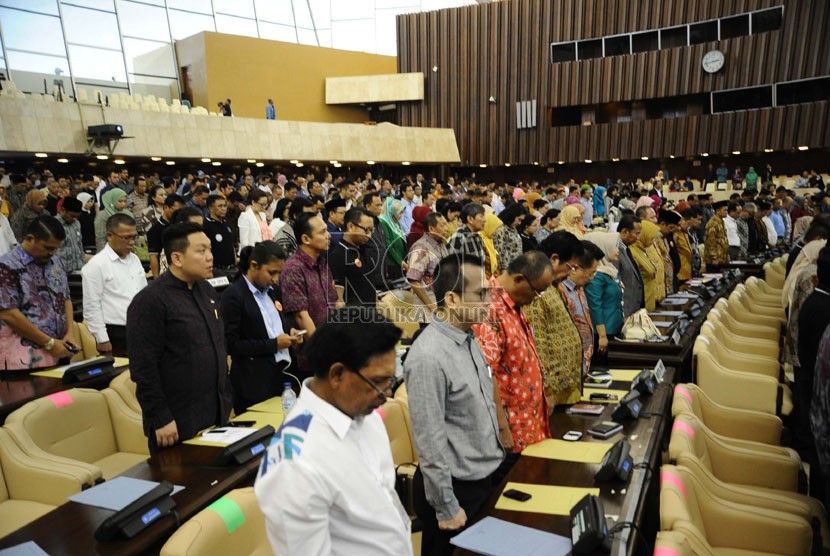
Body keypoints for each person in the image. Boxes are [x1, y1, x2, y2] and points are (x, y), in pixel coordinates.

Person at [255, 311, 411, 555]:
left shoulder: (364, 413)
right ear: (337, 375)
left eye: (390, 381)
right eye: (378, 382)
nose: (387, 394)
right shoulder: (294, 463)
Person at [405, 254, 505, 556]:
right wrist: (446, 505)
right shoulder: (428, 356)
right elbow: (430, 439)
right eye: (480, 293)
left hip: (483, 478)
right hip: (455, 492)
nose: (489, 300)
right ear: (452, 298)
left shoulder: (467, 335)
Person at [127, 223, 231, 452]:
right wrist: (160, 417)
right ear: (177, 257)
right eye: (201, 251)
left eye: (210, 250)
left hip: (215, 412)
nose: (210, 257)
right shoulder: (150, 301)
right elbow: (143, 368)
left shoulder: (207, 291)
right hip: (177, 420)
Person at [473, 251, 554, 468]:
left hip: (528, 425)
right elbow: (485, 375)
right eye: (537, 292)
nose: (536, 299)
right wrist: (502, 429)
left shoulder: (513, 304)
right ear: (519, 279)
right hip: (509, 433)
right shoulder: (488, 308)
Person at [221, 241, 304, 414]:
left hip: (281, 376)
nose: (275, 278)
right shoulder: (234, 296)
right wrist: (274, 344)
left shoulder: (273, 290)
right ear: (254, 266)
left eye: (279, 273)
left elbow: (272, 326)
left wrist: (290, 334)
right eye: (272, 272)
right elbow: (231, 345)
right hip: (253, 383)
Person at [0, 215, 79, 371]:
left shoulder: (55, 262)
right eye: (48, 247)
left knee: (61, 395)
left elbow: (66, 298)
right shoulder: (7, 266)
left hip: (59, 349)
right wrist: (48, 342)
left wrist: (70, 332)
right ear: (30, 239)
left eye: (56, 248)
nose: (53, 252)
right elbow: (8, 314)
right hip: (23, 357)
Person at [525, 232, 585, 405]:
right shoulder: (537, 292)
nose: (570, 273)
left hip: (567, 387)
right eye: (571, 267)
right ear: (554, 259)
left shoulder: (551, 286)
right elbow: (539, 343)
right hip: (554, 392)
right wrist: (547, 388)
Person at [82, 213, 147, 357]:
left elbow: (144, 294)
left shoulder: (134, 259)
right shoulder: (96, 265)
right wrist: (102, 338)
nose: (131, 242)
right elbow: (92, 306)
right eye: (126, 237)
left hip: (140, 329)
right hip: (115, 333)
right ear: (110, 235)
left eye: (134, 237)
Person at [280, 214, 338, 337]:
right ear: (306, 239)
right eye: (322, 232)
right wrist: (319, 349)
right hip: (311, 349)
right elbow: (301, 316)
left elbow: (334, 302)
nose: (329, 236)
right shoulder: (293, 269)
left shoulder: (323, 263)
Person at [560, 241, 601, 376]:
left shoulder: (579, 288)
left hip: (584, 362)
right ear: (576, 268)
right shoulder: (560, 290)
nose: (592, 277)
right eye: (591, 272)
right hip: (568, 367)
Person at [329, 208, 378, 307]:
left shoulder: (365, 249)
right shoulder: (338, 255)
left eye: (372, 230)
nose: (369, 235)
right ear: (351, 226)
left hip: (371, 316)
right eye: (366, 230)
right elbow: (339, 299)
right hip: (354, 318)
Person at [584, 231, 624, 348]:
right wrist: (602, 335)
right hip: (604, 333)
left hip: (614, 328)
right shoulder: (596, 276)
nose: (617, 251)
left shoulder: (609, 270)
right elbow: (594, 306)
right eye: (614, 247)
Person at [406, 211, 449, 317]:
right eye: (442, 225)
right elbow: (414, 280)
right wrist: (432, 307)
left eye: (446, 224)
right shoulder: (421, 248)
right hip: (428, 310)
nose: (446, 229)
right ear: (431, 228)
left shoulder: (441, 244)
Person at [147, 194, 185, 278]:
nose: (178, 213)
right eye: (175, 210)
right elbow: (153, 256)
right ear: (165, 207)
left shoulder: (180, 226)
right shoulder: (155, 230)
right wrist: (157, 279)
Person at [630, 220, 665, 311]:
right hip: (642, 304)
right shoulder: (634, 252)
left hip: (650, 302)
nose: (653, 241)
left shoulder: (642, 250)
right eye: (651, 237)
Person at [615, 214, 645, 317]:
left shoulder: (626, 248)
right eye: (636, 234)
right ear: (625, 232)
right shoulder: (615, 250)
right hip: (625, 310)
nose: (638, 238)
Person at [202, 195, 237, 279]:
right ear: (211, 208)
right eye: (220, 206)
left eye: (225, 206)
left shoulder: (226, 223)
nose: (223, 208)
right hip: (217, 270)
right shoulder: (206, 225)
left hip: (232, 269)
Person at [378, 197, 408, 283]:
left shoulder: (395, 222)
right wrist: (400, 261)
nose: (401, 215)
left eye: (402, 213)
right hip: (392, 262)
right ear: (392, 211)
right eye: (399, 213)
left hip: (400, 260)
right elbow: (388, 244)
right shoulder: (384, 222)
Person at [94, 188, 132, 252]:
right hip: (109, 252)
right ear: (112, 200)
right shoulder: (103, 216)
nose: (123, 204)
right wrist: (105, 255)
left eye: (125, 201)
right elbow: (101, 239)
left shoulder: (128, 214)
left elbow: (134, 236)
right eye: (120, 201)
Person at [492, 203, 526, 271]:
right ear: (512, 216)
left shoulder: (513, 229)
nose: (520, 223)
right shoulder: (501, 230)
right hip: (506, 271)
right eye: (519, 220)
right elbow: (499, 253)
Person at [55, 197, 85, 273]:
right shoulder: (54, 224)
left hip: (78, 268)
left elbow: (79, 245)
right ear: (63, 210)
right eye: (72, 216)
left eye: (77, 216)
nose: (74, 219)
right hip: (60, 269)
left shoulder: (77, 224)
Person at [703, 200, 730, 266]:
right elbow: (711, 241)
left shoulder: (721, 222)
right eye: (725, 210)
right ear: (718, 211)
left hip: (722, 258)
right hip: (715, 260)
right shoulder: (713, 223)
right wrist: (714, 258)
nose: (727, 212)